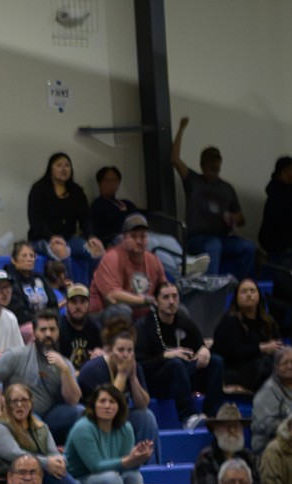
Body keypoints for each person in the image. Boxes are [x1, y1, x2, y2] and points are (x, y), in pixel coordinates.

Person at [170, 119, 256, 277]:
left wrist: (235, 218)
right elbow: (175, 159)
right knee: (213, 245)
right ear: (202, 165)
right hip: (197, 238)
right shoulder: (193, 180)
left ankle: (243, 286)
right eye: (210, 164)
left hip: (223, 237)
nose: (214, 167)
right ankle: (211, 291)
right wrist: (181, 129)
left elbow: (241, 219)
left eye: (216, 164)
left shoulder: (227, 188)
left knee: (248, 246)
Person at [135, 280, 225, 427]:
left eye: (175, 296)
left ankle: (212, 414)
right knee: (175, 363)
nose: (171, 301)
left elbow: (200, 345)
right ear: (156, 302)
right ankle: (188, 416)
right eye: (166, 297)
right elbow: (140, 364)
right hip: (157, 380)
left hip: (183, 375)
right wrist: (165, 356)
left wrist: (203, 350)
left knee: (216, 362)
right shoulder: (145, 325)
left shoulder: (183, 321)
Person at [0, 310, 85, 439]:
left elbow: (73, 399)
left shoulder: (64, 363)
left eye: (52, 330)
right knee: (33, 420)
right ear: (34, 333)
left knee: (80, 411)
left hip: (51, 415)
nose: (48, 334)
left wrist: (64, 370)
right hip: (22, 412)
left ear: (58, 332)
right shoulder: (16, 355)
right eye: (43, 330)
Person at [76, 325, 162, 450]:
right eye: (121, 350)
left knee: (146, 416)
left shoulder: (134, 367)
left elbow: (143, 404)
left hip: (118, 417)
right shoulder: (93, 370)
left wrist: (133, 378)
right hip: (92, 421)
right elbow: (107, 405)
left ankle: (150, 467)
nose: (126, 355)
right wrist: (122, 374)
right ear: (109, 351)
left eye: (130, 350)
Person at [65, 384, 151, 484]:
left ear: (119, 406)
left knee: (134, 476)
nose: (107, 406)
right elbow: (95, 466)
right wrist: (129, 460)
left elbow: (125, 465)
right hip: (80, 479)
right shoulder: (83, 428)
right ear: (93, 405)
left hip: (111, 474)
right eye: (102, 401)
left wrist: (138, 459)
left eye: (112, 402)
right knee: (112, 479)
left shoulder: (126, 428)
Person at [27, 152, 103, 276]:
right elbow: (35, 220)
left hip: (69, 238)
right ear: (50, 168)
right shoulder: (39, 189)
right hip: (42, 238)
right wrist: (51, 237)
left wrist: (91, 236)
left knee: (95, 251)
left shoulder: (76, 191)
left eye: (67, 165)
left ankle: (92, 291)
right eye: (59, 165)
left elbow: (85, 217)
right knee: (62, 251)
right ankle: (70, 292)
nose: (63, 169)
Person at [211, 277, 283, 395]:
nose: (249, 295)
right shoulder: (230, 321)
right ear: (236, 297)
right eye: (244, 292)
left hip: (261, 367)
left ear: (259, 295)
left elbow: (278, 346)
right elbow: (232, 353)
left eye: (252, 291)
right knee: (266, 364)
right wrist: (262, 348)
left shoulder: (268, 322)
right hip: (235, 370)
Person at [89, 214, 166, 322]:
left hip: (141, 313)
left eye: (143, 236)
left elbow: (163, 287)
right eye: (134, 236)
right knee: (122, 311)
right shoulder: (112, 258)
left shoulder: (153, 260)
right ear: (124, 238)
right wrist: (144, 300)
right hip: (105, 314)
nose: (139, 241)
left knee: (174, 309)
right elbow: (113, 297)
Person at [250, 346, 292, 457]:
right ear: (276, 367)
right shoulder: (267, 391)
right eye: (285, 363)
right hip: (269, 445)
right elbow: (265, 424)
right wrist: (288, 427)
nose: (290, 366)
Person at [58, 283, 102, 370]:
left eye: (82, 301)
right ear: (66, 305)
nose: (78, 306)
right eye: (73, 302)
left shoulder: (95, 327)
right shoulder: (59, 328)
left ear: (89, 304)